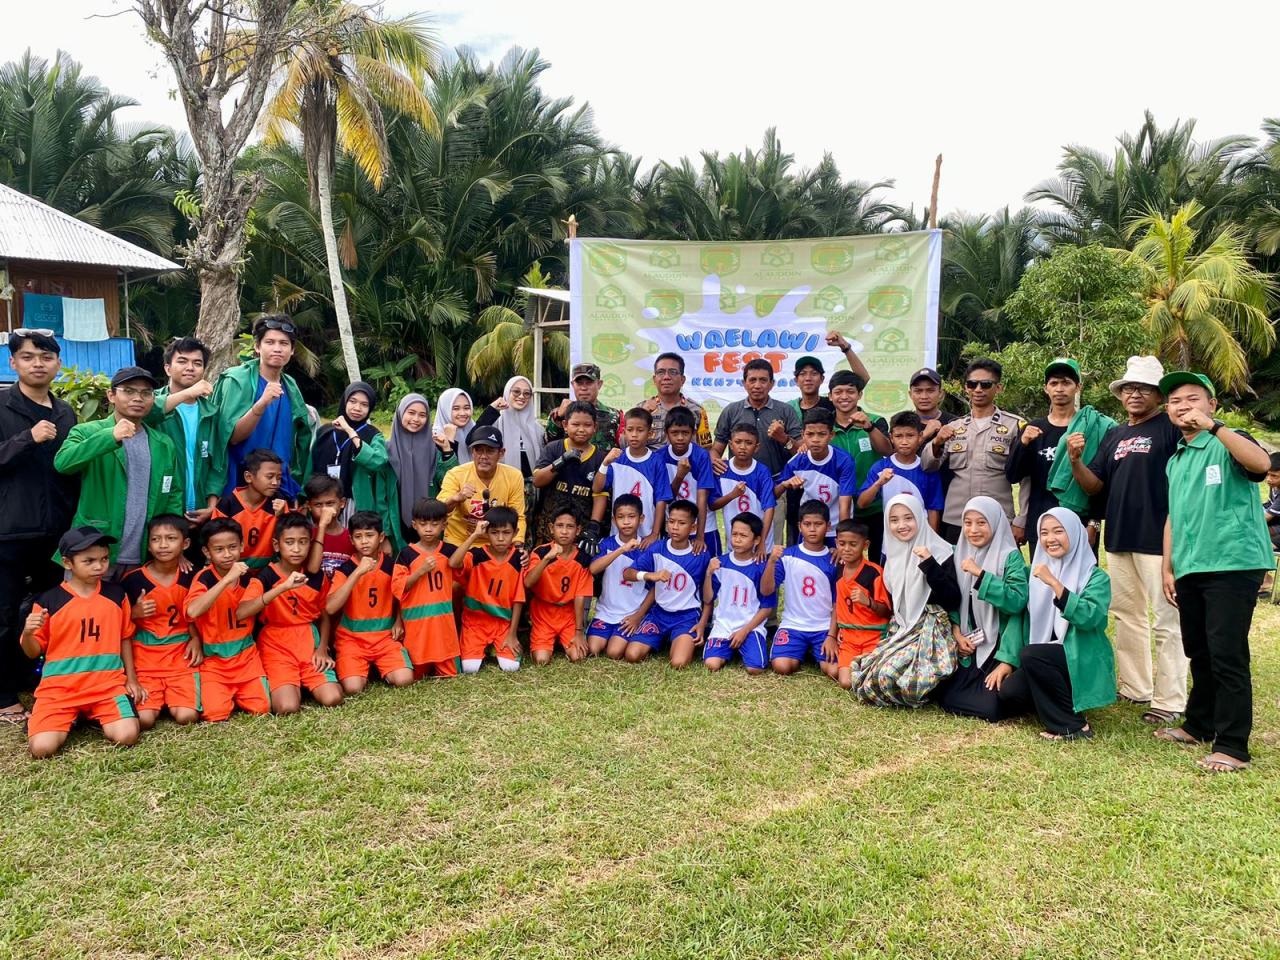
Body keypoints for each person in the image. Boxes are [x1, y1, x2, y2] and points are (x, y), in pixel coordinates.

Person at [1156, 371, 1274, 773]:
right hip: (1191, 565)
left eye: (1193, 398)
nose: (1183, 405)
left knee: (1227, 654)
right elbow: (1173, 514)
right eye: (1174, 401)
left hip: (1233, 562)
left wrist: (1216, 428)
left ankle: (1233, 745)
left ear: (1212, 405)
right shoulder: (1176, 459)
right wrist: (1167, 566)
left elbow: (1260, 464)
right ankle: (1199, 724)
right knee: (1199, 651)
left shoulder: (1229, 440)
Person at [1066, 355, 1186, 724]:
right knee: (1127, 615)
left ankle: (1170, 700)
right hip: (1118, 537)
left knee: (1168, 619)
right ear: (1121, 394)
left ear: (1159, 395)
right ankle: (1136, 688)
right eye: (1129, 388)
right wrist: (1074, 461)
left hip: (1160, 538)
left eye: (1145, 388)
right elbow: (1095, 484)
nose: (1135, 394)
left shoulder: (1170, 427)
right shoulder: (1117, 434)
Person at [0, 328, 78, 726]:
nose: (37, 364)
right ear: (13, 362)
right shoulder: (1, 405)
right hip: (9, 530)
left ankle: (38, 678)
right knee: (5, 611)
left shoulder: (65, 412)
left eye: (46, 357)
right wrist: (26, 439)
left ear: (57, 364)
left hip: (55, 532)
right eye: (28, 357)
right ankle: (4, 695)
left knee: (49, 610)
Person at [21, 527, 141, 758]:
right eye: (89, 561)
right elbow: (32, 652)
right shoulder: (49, 600)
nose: (99, 567)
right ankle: (65, 716)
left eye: (104, 559)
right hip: (60, 690)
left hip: (106, 686)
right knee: (42, 749)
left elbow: (125, 637)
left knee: (127, 736)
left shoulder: (117, 595)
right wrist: (27, 634)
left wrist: (132, 680)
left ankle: (87, 715)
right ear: (68, 563)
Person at [996, 509, 1114, 741]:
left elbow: (1090, 617)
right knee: (1010, 694)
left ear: (1074, 533)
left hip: (1080, 655)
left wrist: (1054, 583)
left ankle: (1074, 726)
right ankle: (1054, 701)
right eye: (1044, 533)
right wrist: (1007, 661)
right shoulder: (1033, 574)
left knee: (1034, 655)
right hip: (1043, 657)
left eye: (1058, 531)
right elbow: (1017, 614)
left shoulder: (1095, 577)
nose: (1050, 539)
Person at [54, 366, 184, 573]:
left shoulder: (163, 443)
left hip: (144, 553)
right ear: (111, 395)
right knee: (87, 605)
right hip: (93, 550)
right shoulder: (88, 431)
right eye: (129, 391)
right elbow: (63, 463)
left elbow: (173, 494)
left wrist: (175, 541)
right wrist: (110, 437)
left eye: (146, 393)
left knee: (135, 606)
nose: (138, 398)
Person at [850, 494, 960, 707]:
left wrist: (929, 563)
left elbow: (952, 598)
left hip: (931, 626)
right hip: (901, 626)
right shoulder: (892, 556)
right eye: (894, 520)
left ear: (920, 517)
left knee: (893, 677)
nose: (901, 525)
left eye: (908, 518)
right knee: (869, 677)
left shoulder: (940, 551)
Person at [236, 512, 343, 715]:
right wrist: (281, 588)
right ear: (277, 545)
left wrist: (322, 648)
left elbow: (324, 615)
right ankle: (292, 683)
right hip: (276, 644)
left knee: (333, 698)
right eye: (290, 542)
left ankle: (307, 680)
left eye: (303, 542)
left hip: (308, 642)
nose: (296, 549)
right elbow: (242, 612)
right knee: (287, 707)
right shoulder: (265, 576)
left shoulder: (315, 577)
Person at [933, 496, 1028, 721]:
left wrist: (981, 575)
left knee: (991, 708)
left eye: (981, 523)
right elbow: (953, 599)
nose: (973, 530)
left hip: (999, 643)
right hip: (968, 642)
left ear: (995, 523)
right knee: (942, 695)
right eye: (968, 523)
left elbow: (1017, 603)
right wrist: (956, 632)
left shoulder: (1010, 557)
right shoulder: (958, 553)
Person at [1005, 359, 1112, 551]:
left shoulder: (1091, 428)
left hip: (1079, 522)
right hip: (1041, 524)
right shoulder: (1033, 429)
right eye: (1054, 383)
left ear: (1077, 387)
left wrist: (1094, 523)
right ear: (1046, 388)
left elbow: (1100, 483)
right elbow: (1012, 475)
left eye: (1066, 383)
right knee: (1042, 579)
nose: (1060, 389)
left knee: (1082, 581)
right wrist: (1023, 444)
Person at [922, 358, 1025, 543]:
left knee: (998, 571)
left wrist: (1021, 519)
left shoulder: (1015, 426)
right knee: (955, 571)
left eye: (985, 384)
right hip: (957, 517)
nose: (978, 389)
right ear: (966, 388)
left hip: (997, 516)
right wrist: (936, 442)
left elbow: (1026, 478)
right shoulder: (954, 426)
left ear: (998, 388)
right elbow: (928, 466)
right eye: (972, 384)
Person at [213, 315, 313, 501]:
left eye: (284, 343)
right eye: (270, 342)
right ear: (258, 347)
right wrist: (262, 403)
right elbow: (232, 437)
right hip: (240, 483)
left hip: (279, 488)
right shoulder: (236, 380)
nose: (277, 348)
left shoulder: (291, 387)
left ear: (292, 351)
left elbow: (301, 442)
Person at [184, 518, 270, 722]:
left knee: (263, 708)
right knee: (215, 714)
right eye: (219, 549)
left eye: (232, 547)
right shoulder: (203, 578)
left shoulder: (251, 579)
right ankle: (223, 694)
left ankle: (243, 692)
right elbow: (193, 611)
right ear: (207, 552)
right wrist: (226, 580)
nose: (227, 554)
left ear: (241, 546)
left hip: (246, 657)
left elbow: (243, 612)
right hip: (214, 661)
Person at [712, 358, 803, 549]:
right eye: (752, 380)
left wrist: (784, 438)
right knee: (738, 542)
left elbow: (801, 452)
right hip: (740, 488)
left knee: (771, 543)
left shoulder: (785, 411)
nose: (757, 385)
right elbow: (717, 449)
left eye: (763, 380)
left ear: (772, 383)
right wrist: (714, 460)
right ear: (744, 383)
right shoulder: (731, 411)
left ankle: (770, 578)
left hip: (776, 484)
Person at [121, 515, 201, 730]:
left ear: (185, 544)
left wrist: (196, 638)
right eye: (156, 539)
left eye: (170, 538)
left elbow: (203, 613)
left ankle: (175, 697)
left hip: (180, 656)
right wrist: (134, 613)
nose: (163, 545)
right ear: (148, 544)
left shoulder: (193, 575)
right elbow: (119, 628)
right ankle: (157, 699)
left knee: (187, 716)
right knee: (144, 719)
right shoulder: (133, 580)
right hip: (146, 660)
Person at [326, 510, 414, 694]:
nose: (364, 541)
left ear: (381, 537)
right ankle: (364, 669)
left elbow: (403, 595)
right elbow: (331, 607)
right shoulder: (346, 569)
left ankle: (379, 667)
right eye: (358, 536)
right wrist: (357, 572)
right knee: (352, 688)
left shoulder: (391, 566)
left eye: (369, 535)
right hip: (352, 639)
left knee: (404, 679)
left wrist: (398, 620)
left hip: (384, 638)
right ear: (351, 540)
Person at [622, 499, 712, 668]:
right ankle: (662, 638)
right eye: (671, 522)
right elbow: (628, 573)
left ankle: (677, 639)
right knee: (632, 655)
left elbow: (708, 595)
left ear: (692, 527)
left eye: (681, 523)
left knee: (678, 663)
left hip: (686, 617)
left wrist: (702, 623)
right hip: (658, 614)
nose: (675, 527)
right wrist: (650, 575)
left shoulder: (700, 554)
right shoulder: (657, 548)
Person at [309, 381, 400, 547]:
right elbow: (311, 464)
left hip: (354, 503)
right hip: (323, 501)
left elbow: (378, 462)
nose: (357, 408)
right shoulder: (326, 431)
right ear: (344, 401)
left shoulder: (373, 435)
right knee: (323, 543)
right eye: (353, 402)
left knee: (351, 546)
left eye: (364, 404)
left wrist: (351, 432)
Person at [761, 499, 840, 677]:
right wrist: (772, 562)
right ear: (799, 526)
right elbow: (766, 591)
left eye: (818, 524)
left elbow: (837, 603)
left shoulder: (834, 559)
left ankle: (813, 651)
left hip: (823, 628)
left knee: (834, 671)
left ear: (828, 526)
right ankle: (803, 651)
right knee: (782, 666)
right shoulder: (787, 556)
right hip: (793, 625)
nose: (812, 529)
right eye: (807, 524)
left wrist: (832, 636)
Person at [148, 337, 220, 525]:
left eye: (197, 363)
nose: (190, 368)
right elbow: (147, 414)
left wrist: (211, 507)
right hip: (161, 508)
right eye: (182, 361)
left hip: (201, 509)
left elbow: (218, 464)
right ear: (167, 368)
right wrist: (188, 393)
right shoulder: (151, 401)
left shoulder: (210, 412)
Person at [448, 507, 525, 673]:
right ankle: (483, 647)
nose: (500, 538)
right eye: (494, 532)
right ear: (486, 532)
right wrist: (474, 535)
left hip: (502, 623)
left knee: (511, 667)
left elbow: (519, 600)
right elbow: (453, 563)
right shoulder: (476, 555)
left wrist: (512, 634)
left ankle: (495, 647)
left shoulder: (519, 559)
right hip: (475, 623)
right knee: (469, 669)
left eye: (506, 532)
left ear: (515, 532)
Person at [392, 498, 462, 677]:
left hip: (443, 627)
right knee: (416, 674)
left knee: (450, 675)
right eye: (423, 524)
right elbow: (399, 588)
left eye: (434, 524)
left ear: (444, 525)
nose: (429, 529)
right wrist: (420, 571)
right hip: (417, 626)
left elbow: (463, 574)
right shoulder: (406, 554)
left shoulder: (450, 551)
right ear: (414, 525)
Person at [828, 369, 891, 561]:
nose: (844, 397)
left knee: (877, 562)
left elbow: (887, 451)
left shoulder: (875, 421)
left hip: (874, 507)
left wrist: (869, 427)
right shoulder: (824, 426)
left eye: (850, 391)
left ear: (860, 395)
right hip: (837, 508)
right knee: (840, 560)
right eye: (838, 392)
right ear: (830, 396)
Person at [701, 512, 774, 674]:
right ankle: (729, 650)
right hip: (724, 626)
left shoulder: (761, 568)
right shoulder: (720, 563)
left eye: (743, 535)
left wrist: (744, 631)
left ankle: (745, 646)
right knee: (711, 664)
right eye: (734, 534)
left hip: (750, 627)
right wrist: (708, 573)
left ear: (756, 540)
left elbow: (767, 607)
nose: (737, 539)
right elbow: (707, 598)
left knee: (755, 669)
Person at [825, 519, 890, 690]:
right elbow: (838, 606)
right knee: (845, 681)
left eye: (853, 544)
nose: (846, 549)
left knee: (868, 679)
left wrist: (868, 602)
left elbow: (886, 611)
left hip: (873, 636)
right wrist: (833, 634)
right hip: (849, 638)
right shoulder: (838, 569)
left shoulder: (875, 572)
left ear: (865, 545)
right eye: (842, 543)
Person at [524, 506, 594, 665]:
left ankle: (563, 640)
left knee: (578, 656)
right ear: (551, 528)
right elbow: (528, 582)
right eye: (559, 526)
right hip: (544, 613)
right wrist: (547, 559)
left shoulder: (582, 558)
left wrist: (579, 632)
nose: (564, 531)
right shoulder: (540, 553)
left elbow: (579, 596)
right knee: (541, 660)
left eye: (569, 527)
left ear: (578, 530)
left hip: (567, 615)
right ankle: (544, 641)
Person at [775, 408, 857, 545]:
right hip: (809, 530)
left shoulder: (844, 461)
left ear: (832, 435)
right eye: (810, 434)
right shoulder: (796, 462)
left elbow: (845, 505)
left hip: (836, 528)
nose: (815, 440)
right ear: (803, 435)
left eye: (821, 434)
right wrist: (785, 484)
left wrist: (842, 540)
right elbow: (774, 494)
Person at [438, 425, 527, 549]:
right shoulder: (455, 474)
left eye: (490, 450)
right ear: (472, 452)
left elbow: (518, 516)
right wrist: (456, 498)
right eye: (478, 450)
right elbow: (438, 510)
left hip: (496, 545)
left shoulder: (514, 476)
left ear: (501, 453)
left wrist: (518, 545)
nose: (483, 456)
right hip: (459, 542)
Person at [592, 407, 670, 547]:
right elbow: (597, 488)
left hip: (646, 535)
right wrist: (604, 463)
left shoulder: (657, 461)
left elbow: (661, 500)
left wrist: (654, 533)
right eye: (630, 430)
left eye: (640, 430)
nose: (634, 435)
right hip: (619, 533)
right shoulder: (617, 458)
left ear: (650, 433)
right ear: (624, 432)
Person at [856, 411, 945, 534]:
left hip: (920, 537)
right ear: (891, 437)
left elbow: (933, 509)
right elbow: (861, 503)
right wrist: (878, 483)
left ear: (920, 437)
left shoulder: (927, 468)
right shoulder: (880, 467)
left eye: (910, 436)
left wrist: (931, 540)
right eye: (898, 436)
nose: (904, 441)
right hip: (891, 539)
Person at [533, 403, 606, 549]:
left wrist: (594, 525)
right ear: (565, 425)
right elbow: (537, 480)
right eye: (575, 424)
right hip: (550, 527)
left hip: (581, 528)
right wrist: (561, 461)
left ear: (595, 427)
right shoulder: (554, 448)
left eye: (587, 425)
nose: (581, 429)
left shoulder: (600, 457)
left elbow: (600, 494)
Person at [590, 495, 652, 660]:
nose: (626, 522)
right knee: (593, 649)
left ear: (641, 519)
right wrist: (621, 550)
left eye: (631, 517)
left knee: (614, 652)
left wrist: (638, 616)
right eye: (620, 517)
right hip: (606, 611)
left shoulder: (648, 548)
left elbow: (655, 589)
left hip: (631, 612)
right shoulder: (606, 543)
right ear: (613, 520)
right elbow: (593, 569)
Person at [212, 449, 290, 570]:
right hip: (233, 569)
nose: (275, 482)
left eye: (279, 477)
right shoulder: (228, 504)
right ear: (249, 477)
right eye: (269, 477)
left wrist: (281, 517)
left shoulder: (278, 502)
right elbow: (215, 540)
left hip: (267, 570)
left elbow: (288, 538)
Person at [711, 424, 776, 555]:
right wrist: (732, 495)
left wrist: (762, 542)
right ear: (730, 444)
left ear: (757, 447)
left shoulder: (762, 471)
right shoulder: (722, 469)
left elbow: (769, 508)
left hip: (760, 544)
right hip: (735, 541)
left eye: (748, 443)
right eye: (738, 442)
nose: (742, 447)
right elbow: (713, 504)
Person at [662, 406, 717, 554]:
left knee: (709, 570)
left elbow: (702, 496)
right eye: (674, 433)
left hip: (703, 526)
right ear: (666, 434)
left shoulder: (701, 456)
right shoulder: (660, 457)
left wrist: (700, 535)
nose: (680, 438)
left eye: (685, 433)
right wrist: (680, 476)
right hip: (675, 526)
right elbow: (666, 498)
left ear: (693, 433)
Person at [387, 394, 435, 547]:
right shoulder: (386, 448)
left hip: (428, 521)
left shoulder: (434, 447)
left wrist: (448, 449)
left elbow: (444, 477)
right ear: (401, 412)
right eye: (411, 412)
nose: (416, 419)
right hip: (395, 516)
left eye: (422, 415)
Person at [475, 375, 544, 480]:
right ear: (507, 392)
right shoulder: (495, 424)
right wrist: (492, 409)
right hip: (500, 484)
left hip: (531, 489)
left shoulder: (537, 429)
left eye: (526, 393)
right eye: (516, 391)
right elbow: (473, 437)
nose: (521, 396)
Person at [642, 353, 711, 448]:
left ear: (682, 380)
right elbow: (626, 445)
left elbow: (706, 449)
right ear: (654, 379)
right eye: (661, 372)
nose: (666, 377)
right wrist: (643, 415)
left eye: (673, 372)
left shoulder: (696, 411)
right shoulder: (642, 409)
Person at [546, 363, 620, 449]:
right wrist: (558, 417)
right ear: (573, 385)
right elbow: (547, 443)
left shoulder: (614, 416)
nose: (584, 388)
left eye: (589, 383)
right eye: (579, 383)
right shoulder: (559, 414)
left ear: (599, 384)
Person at [301, 474, 353, 577]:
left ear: (342, 503)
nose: (324, 510)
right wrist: (322, 526)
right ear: (309, 506)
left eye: (330, 503)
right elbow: (312, 569)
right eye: (318, 505)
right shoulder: (305, 534)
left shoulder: (351, 537)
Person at [431, 388, 473, 495]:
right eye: (456, 408)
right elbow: (443, 478)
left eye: (467, 408)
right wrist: (449, 442)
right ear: (445, 409)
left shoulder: (472, 429)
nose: (462, 413)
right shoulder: (434, 438)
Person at [907, 367, 960, 448]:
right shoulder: (903, 423)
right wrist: (924, 435)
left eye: (930, 391)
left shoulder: (955, 423)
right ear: (910, 394)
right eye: (918, 391)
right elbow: (896, 456)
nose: (924, 396)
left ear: (941, 393)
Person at [1265, 452, 1280, 551]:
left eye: (1274, 476)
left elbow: (1264, 518)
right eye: (1267, 474)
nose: (1269, 479)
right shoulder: (1275, 486)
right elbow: (1269, 505)